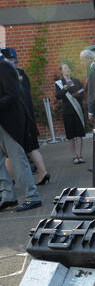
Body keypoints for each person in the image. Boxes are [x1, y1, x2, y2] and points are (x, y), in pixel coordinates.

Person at [0, 49, 42, 212]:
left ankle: (32, 197)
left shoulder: (4, 66)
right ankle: (8, 197)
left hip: (10, 123)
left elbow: (13, 95)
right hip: (3, 122)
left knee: (18, 161)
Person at [2, 47, 50, 185]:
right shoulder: (20, 73)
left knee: (11, 153)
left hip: (17, 118)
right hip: (27, 116)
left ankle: (12, 181)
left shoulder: (9, 74)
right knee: (31, 148)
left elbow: (14, 98)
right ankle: (43, 172)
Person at [55, 62, 86, 164]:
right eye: (65, 68)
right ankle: (74, 156)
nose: (67, 69)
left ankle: (80, 155)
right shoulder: (59, 83)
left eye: (68, 67)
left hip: (77, 110)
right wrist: (64, 89)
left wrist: (77, 94)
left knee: (79, 133)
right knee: (71, 135)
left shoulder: (76, 80)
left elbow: (82, 93)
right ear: (61, 71)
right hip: (67, 112)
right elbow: (58, 96)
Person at [80, 48, 95, 130]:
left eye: (82, 60)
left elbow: (93, 93)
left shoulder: (93, 70)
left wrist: (90, 111)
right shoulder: (91, 69)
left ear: (89, 59)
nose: (81, 63)